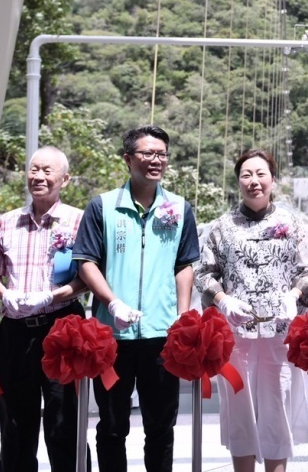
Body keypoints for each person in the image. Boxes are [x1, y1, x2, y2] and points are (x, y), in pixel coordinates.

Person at [71, 125, 200, 472]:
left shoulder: (180, 208)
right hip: (111, 339)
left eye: (161, 154)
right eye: (147, 154)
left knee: (161, 426)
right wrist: (112, 303)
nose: (155, 160)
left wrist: (182, 317)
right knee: (112, 426)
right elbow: (86, 262)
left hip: (161, 336)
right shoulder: (102, 206)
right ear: (128, 159)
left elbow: (185, 264)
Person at [195, 149, 308, 472]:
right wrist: (222, 299)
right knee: (240, 412)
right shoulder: (223, 227)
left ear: (273, 180)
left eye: (261, 174)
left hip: (280, 334)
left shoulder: (291, 222)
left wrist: (294, 295)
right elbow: (204, 273)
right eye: (246, 175)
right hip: (238, 337)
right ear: (238, 182)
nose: (254, 181)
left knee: (277, 409)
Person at [0, 146, 88, 472]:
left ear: (64, 179)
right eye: (34, 170)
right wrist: (5, 293)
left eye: (47, 171)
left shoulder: (78, 220)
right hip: (15, 330)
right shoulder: (6, 222)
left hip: (61, 328)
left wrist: (53, 296)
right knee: (15, 422)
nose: (38, 177)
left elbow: (88, 279)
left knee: (63, 421)